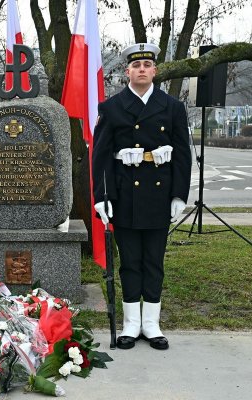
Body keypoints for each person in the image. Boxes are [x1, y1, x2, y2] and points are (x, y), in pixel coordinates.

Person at [92, 43, 191, 350]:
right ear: (128, 72)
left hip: (159, 198)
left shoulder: (173, 107)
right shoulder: (112, 108)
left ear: (155, 71)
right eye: (137, 66)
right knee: (130, 262)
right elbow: (101, 157)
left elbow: (182, 156)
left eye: (148, 65)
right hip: (126, 197)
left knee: (154, 262)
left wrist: (179, 195)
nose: (142, 70)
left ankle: (152, 323)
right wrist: (102, 196)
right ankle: (131, 324)